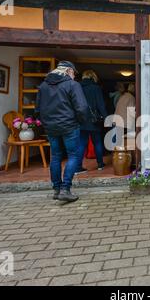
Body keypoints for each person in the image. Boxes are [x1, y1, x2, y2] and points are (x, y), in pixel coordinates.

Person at [36, 61, 89, 202]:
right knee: (73, 155)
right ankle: (65, 189)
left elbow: (37, 109)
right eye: (73, 73)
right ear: (68, 71)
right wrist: (82, 121)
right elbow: (82, 107)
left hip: (51, 128)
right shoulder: (73, 85)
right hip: (70, 126)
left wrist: (46, 123)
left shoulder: (43, 86)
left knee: (56, 157)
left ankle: (56, 189)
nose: (74, 75)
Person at [76, 70, 108, 173]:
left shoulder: (77, 87)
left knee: (81, 144)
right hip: (94, 120)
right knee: (97, 142)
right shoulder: (96, 88)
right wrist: (106, 117)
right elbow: (101, 105)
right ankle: (100, 164)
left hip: (81, 120)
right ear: (93, 77)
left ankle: (78, 167)